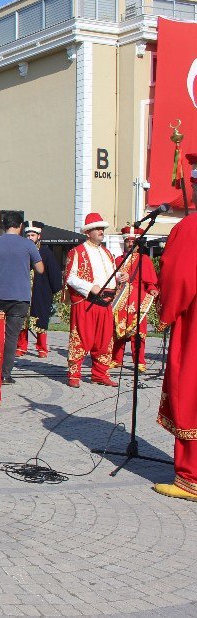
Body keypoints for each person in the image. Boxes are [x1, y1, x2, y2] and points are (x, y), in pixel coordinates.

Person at [153, 171, 197, 502]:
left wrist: (165, 314)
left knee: (190, 393)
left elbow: (177, 279)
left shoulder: (189, 229)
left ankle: (190, 477)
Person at [0, 211, 44, 385]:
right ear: (20, 227)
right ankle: (5, 374)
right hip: (19, 296)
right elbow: (40, 269)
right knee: (11, 337)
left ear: (4, 226)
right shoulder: (28, 244)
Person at [64, 212, 120, 388]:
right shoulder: (77, 252)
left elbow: (108, 274)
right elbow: (70, 277)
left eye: (102, 228)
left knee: (104, 339)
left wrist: (119, 276)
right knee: (81, 336)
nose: (101, 231)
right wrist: (90, 287)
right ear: (88, 232)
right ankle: (74, 374)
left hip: (106, 302)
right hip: (87, 301)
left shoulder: (108, 253)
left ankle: (100, 373)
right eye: (97, 228)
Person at [112, 226, 159, 372]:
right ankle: (116, 359)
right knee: (118, 331)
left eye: (133, 241)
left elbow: (150, 282)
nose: (131, 244)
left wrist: (152, 290)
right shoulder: (118, 259)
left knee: (138, 333)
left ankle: (139, 361)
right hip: (120, 300)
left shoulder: (144, 259)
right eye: (128, 241)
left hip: (137, 300)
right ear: (124, 242)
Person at [17, 221, 63, 358]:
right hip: (23, 291)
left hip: (41, 291)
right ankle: (21, 346)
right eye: (28, 235)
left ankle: (42, 348)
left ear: (39, 236)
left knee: (41, 319)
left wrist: (55, 289)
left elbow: (54, 272)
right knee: (22, 319)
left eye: (33, 235)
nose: (30, 237)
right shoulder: (21, 251)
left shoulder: (46, 252)